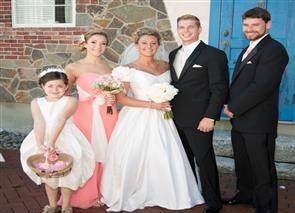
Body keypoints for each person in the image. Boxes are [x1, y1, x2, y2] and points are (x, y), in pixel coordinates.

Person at [100, 28, 204, 212]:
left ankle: (167, 192)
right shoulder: (127, 70)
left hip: (164, 117)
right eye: (144, 43)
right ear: (136, 45)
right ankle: (137, 190)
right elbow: (121, 99)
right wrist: (151, 105)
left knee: (166, 153)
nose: (149, 46)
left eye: (153, 43)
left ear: (158, 45)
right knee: (138, 154)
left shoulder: (166, 66)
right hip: (138, 116)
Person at [223, 7, 289, 213]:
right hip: (241, 120)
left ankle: (265, 207)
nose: (249, 29)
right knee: (243, 163)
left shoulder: (274, 49)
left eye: (255, 25)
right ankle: (245, 194)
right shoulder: (248, 48)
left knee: (262, 168)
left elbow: (262, 86)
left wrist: (233, 107)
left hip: (259, 122)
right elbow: (241, 83)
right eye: (246, 25)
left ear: (267, 25)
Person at [169, 15, 229, 213]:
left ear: (199, 29)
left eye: (190, 27)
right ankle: (192, 194)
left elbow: (219, 89)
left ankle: (213, 201)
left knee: (204, 160)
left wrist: (210, 116)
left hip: (200, 119)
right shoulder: (173, 54)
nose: (185, 31)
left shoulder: (214, 55)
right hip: (174, 118)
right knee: (183, 159)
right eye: (181, 27)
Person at [20, 66, 95, 213]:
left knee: (68, 173)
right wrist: (41, 144)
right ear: (42, 86)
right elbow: (39, 122)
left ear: (66, 86)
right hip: (43, 137)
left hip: (66, 137)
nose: (55, 89)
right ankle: (52, 205)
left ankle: (66, 205)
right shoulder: (36, 102)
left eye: (60, 86)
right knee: (49, 173)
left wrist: (52, 143)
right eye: (50, 86)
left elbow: (61, 119)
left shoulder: (71, 101)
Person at [65, 30, 118, 208]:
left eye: (103, 43)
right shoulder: (74, 67)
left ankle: (104, 190)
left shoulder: (111, 68)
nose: (98, 47)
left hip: (108, 114)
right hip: (84, 114)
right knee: (87, 151)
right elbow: (63, 93)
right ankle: (87, 192)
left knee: (108, 150)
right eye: (94, 42)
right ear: (85, 44)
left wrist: (113, 98)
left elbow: (117, 92)